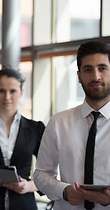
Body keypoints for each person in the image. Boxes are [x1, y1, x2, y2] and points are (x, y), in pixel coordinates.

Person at [34, 41, 110, 209]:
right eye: (88, 69)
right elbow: (41, 174)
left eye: (102, 68)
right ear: (79, 76)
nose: (96, 76)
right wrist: (64, 191)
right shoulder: (58, 122)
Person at [0, 68, 45, 210]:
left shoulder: (35, 129)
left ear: (21, 92)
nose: (7, 96)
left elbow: (49, 170)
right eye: (1, 91)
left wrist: (30, 186)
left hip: (24, 204)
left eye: (12, 91)